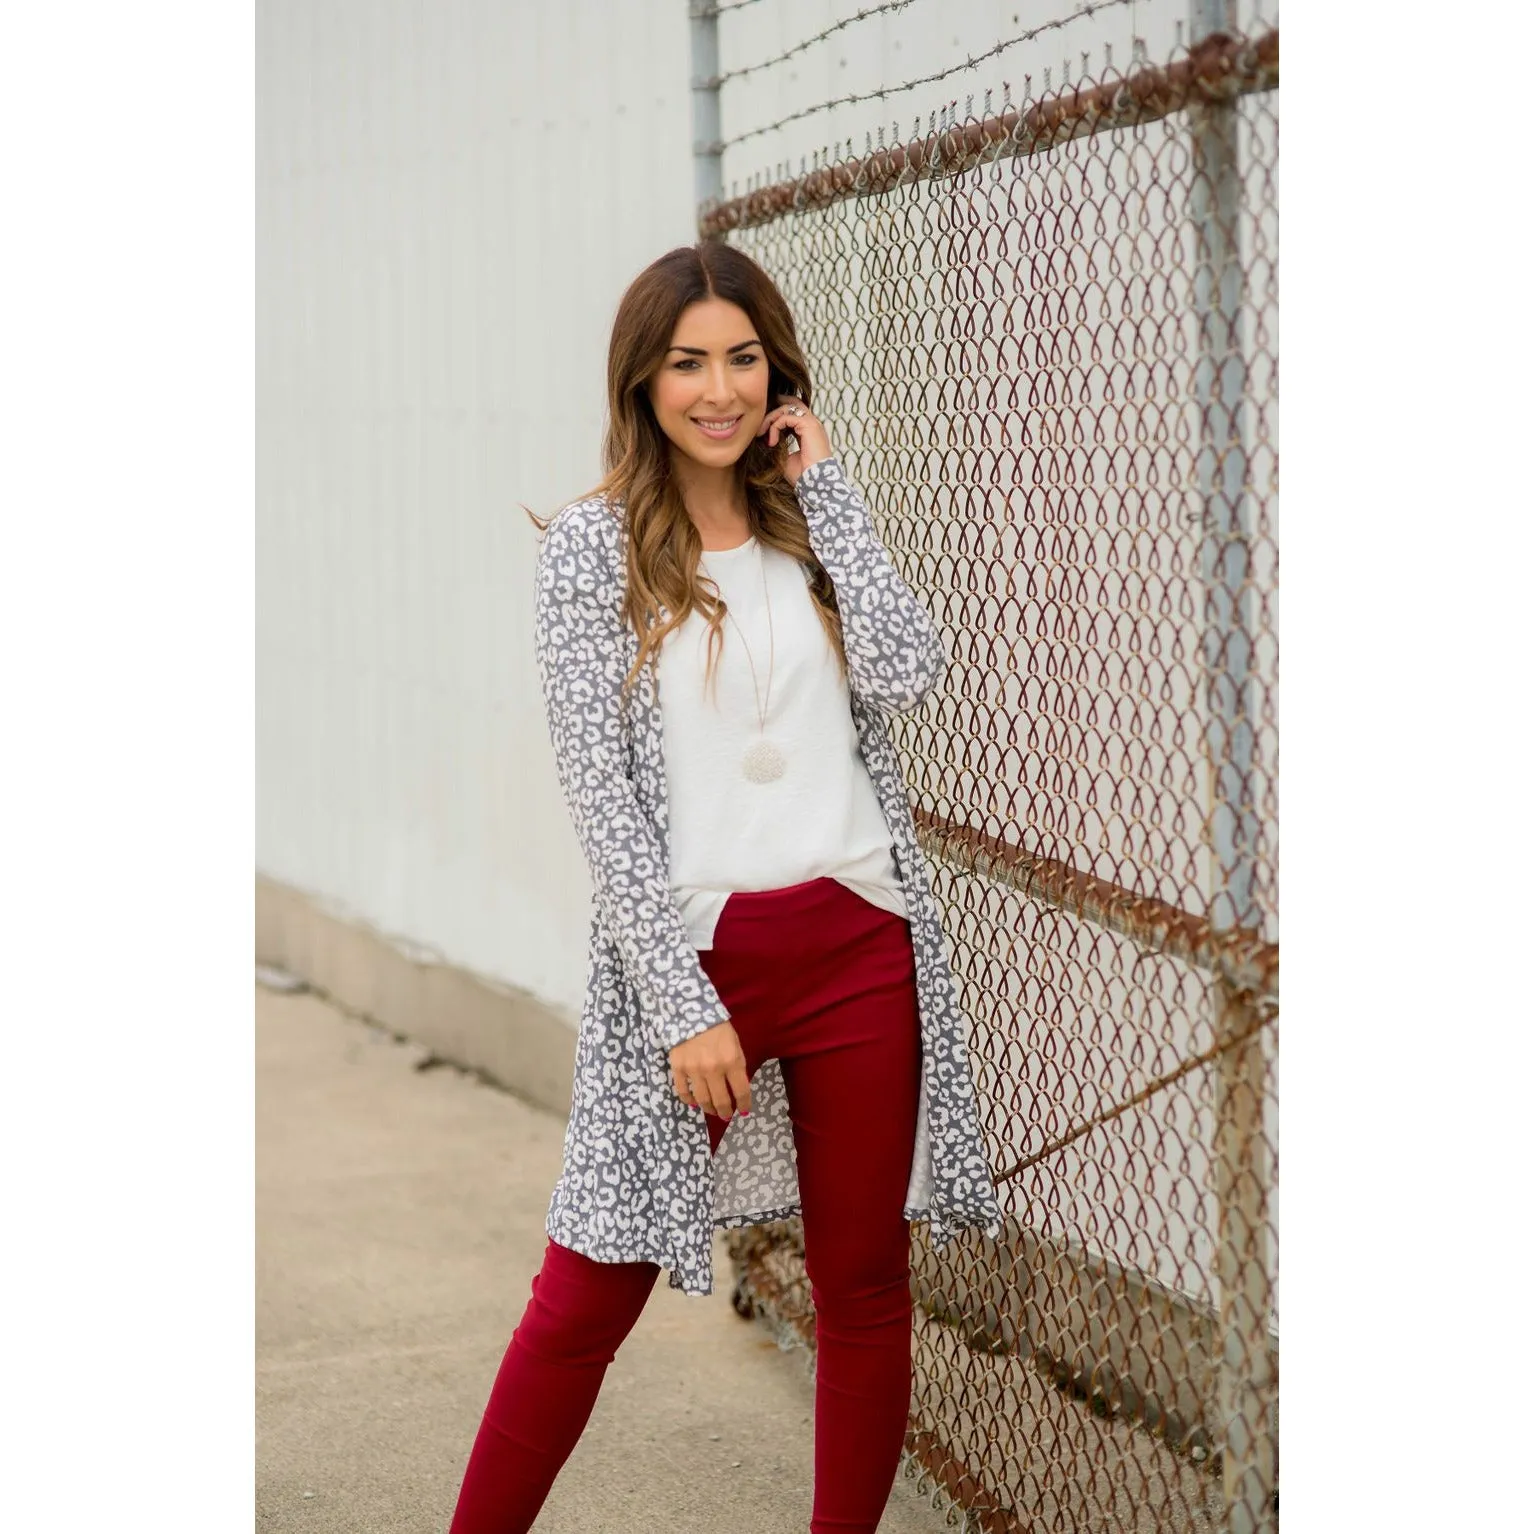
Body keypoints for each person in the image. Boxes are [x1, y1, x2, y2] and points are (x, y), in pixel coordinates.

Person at [447, 241, 1002, 1534]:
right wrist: (685, 1006)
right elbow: (600, 796)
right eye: (687, 361)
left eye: (741, 357)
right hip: (695, 959)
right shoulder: (591, 550)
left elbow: (908, 671)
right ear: (642, 380)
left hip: (858, 937)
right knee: (589, 1286)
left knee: (864, 1282)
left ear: (777, 369)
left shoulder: (812, 528)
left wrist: (833, 490)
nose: (718, 387)